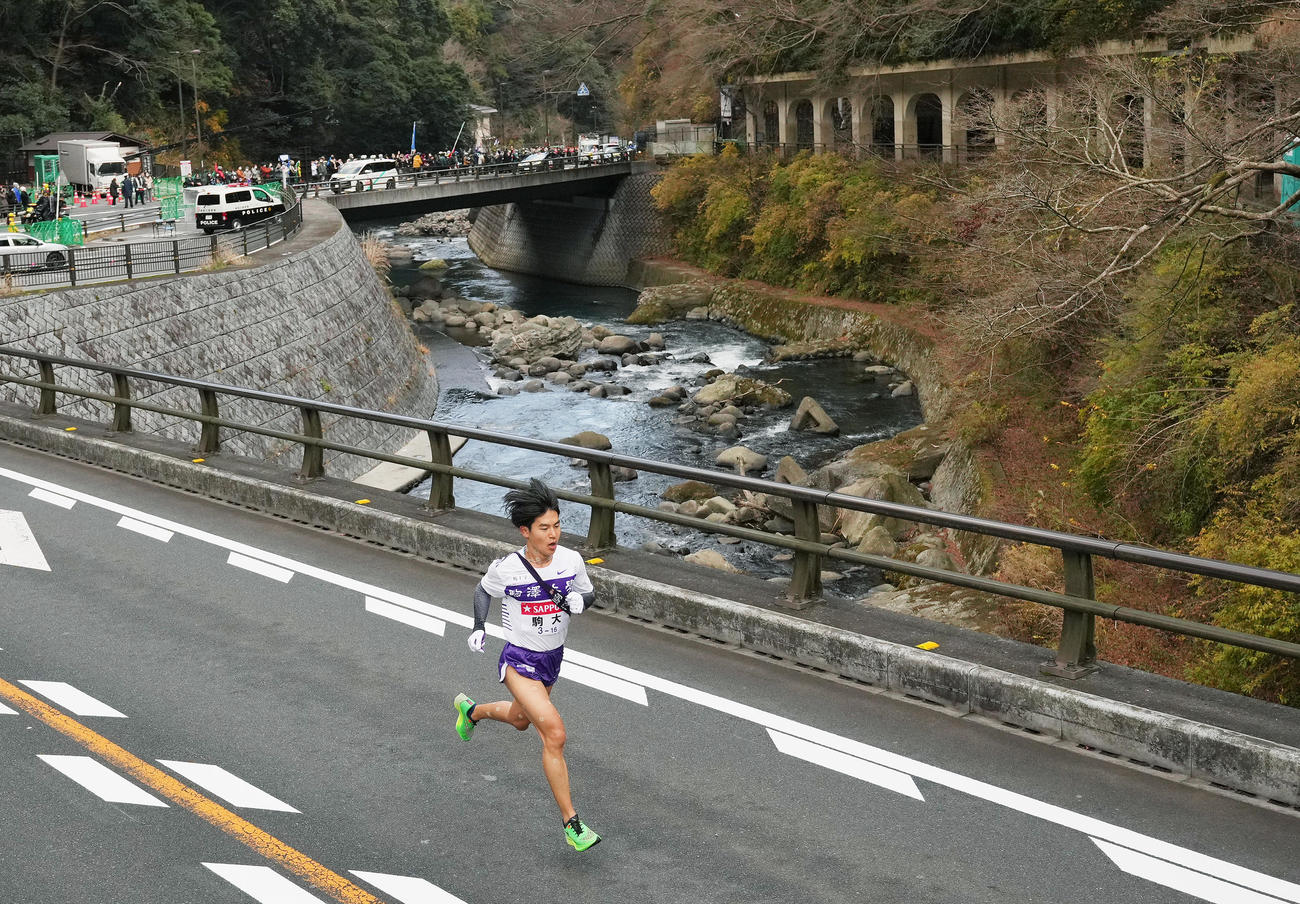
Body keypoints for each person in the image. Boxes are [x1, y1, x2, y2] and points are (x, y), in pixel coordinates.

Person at [454, 479, 601, 852]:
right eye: (544, 528)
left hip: (553, 658)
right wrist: (478, 626)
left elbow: (588, 591)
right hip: (519, 659)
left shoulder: (570, 560)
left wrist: (585, 601)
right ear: (526, 531)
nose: (554, 534)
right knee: (554, 733)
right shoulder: (508, 568)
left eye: (557, 525)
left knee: (521, 720)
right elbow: (482, 590)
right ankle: (572, 824)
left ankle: (471, 712)